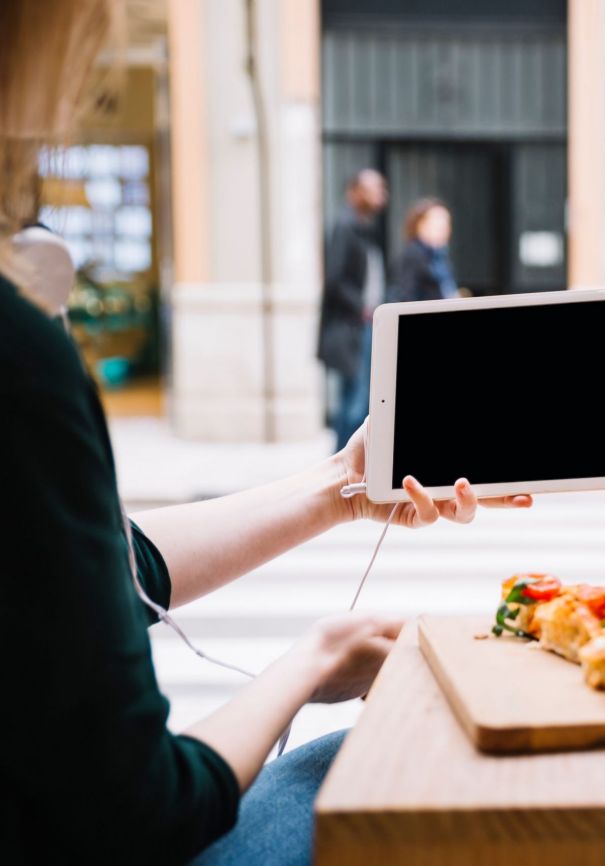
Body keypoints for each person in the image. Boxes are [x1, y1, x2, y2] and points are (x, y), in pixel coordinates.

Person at [0, 2, 532, 863]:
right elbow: (141, 809)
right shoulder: (18, 355)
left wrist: (339, 491)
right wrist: (317, 660)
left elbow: (110, 565)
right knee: (415, 767)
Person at [319, 168, 389, 451]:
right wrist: (363, 309)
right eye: (375, 189)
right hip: (352, 328)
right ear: (356, 192)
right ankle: (340, 466)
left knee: (358, 398)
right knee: (354, 401)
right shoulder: (346, 226)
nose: (382, 195)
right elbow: (334, 279)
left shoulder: (364, 227)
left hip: (364, 325)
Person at [392, 197, 460, 303]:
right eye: (437, 223)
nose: (443, 228)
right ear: (419, 225)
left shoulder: (440, 255)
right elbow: (407, 297)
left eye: (446, 223)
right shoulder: (414, 254)